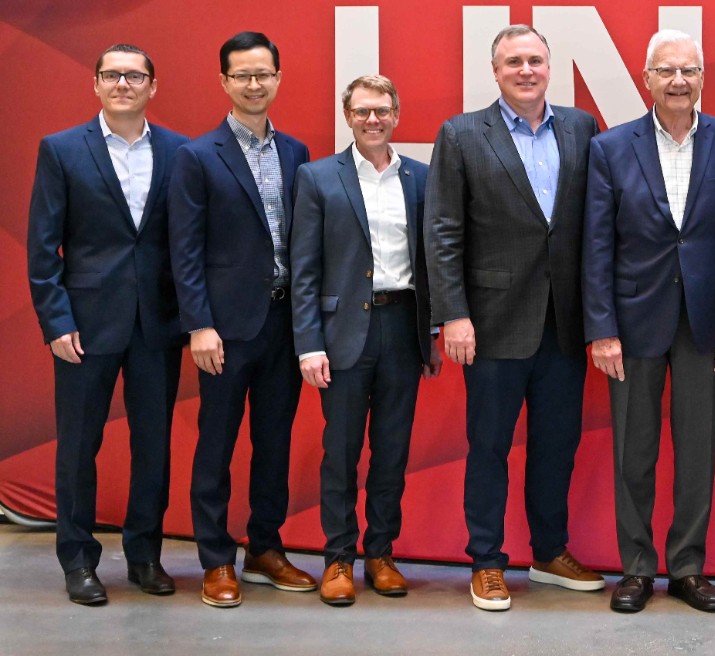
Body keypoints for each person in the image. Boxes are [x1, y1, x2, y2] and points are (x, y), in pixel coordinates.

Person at [425, 24, 604, 612]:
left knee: (557, 444)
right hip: (493, 321)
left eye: (535, 60)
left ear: (550, 66)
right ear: (495, 71)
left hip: (565, 321)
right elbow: (444, 231)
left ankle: (550, 552)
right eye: (513, 63)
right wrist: (453, 314)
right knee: (490, 446)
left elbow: (592, 227)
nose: (525, 71)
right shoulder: (460, 134)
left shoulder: (580, 127)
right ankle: (486, 560)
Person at [583, 29, 715, 614]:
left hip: (707, 325)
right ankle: (636, 568)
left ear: (702, 77)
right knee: (634, 452)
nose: (678, 81)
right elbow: (597, 246)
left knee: (697, 449)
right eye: (666, 71)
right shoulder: (611, 147)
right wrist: (601, 328)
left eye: (688, 70)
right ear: (647, 78)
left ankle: (686, 567)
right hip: (631, 324)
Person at [28, 44, 188, 605]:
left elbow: (186, 245)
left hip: (157, 325)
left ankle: (144, 554)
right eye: (112, 75)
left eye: (134, 75)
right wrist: (55, 320)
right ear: (96, 84)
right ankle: (78, 561)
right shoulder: (63, 150)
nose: (123, 83)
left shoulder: (179, 151)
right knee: (78, 445)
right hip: (84, 325)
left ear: (152, 86)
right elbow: (43, 246)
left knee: (154, 444)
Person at [169, 31, 315, 608]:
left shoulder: (296, 152)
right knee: (217, 444)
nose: (255, 85)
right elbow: (185, 249)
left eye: (264, 74)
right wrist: (199, 324)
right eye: (243, 75)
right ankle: (214, 559)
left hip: (284, 324)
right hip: (224, 330)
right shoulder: (197, 156)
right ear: (225, 82)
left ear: (278, 78)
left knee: (274, 441)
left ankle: (264, 548)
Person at [290, 75, 442, 606]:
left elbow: (435, 260)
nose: (372, 120)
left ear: (396, 114)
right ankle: (338, 558)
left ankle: (381, 553)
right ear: (347, 116)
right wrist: (308, 343)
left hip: (404, 328)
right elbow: (304, 270)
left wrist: (438, 327)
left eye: (381, 110)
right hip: (342, 334)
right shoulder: (317, 177)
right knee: (341, 451)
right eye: (361, 111)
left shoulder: (422, 178)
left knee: (392, 451)